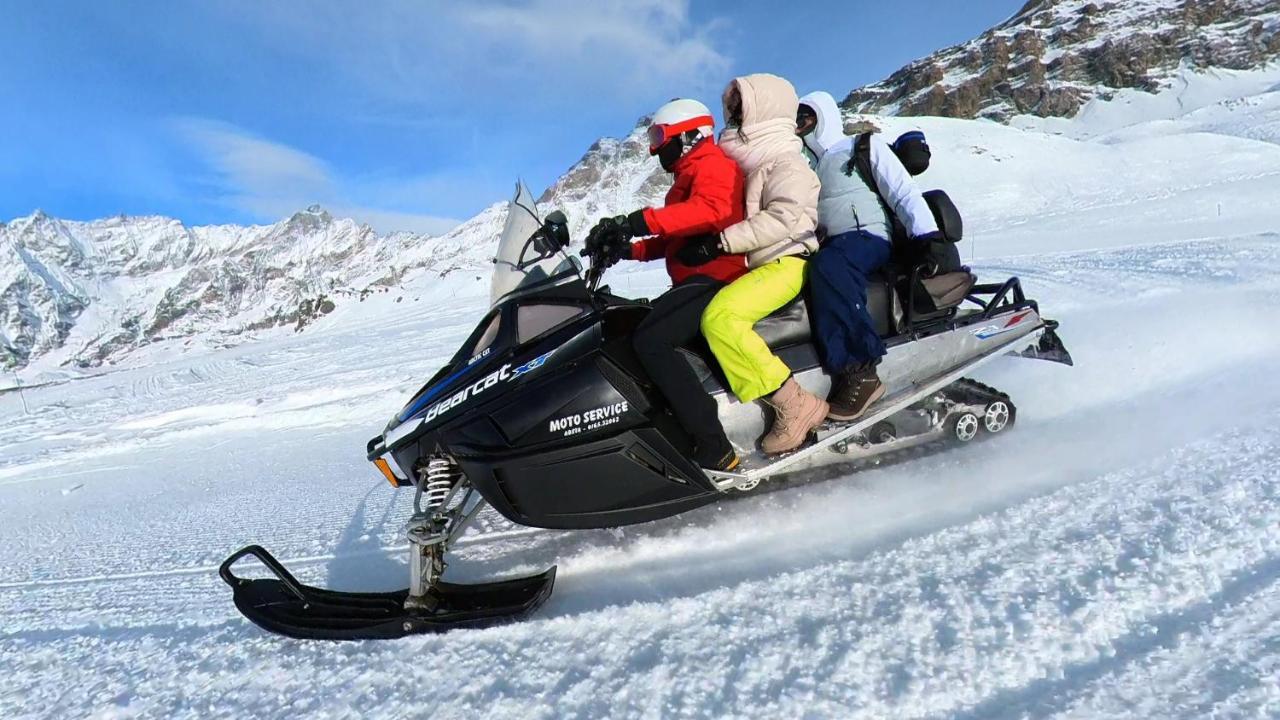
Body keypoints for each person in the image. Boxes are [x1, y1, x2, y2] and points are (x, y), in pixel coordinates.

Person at [583, 98, 747, 471]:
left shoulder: (712, 164)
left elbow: (713, 210)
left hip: (720, 277)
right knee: (631, 327)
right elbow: (674, 235)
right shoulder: (687, 175)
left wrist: (638, 221)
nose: (656, 147)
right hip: (693, 281)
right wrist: (626, 249)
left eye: (660, 136)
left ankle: (715, 446)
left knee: (652, 340)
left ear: (689, 135)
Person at [695, 73, 826, 456]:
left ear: (765, 110)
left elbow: (783, 218)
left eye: (741, 109)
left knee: (721, 318)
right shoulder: (755, 163)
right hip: (763, 264)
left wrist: (720, 242)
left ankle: (794, 403)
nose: (733, 118)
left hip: (787, 262)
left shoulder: (788, 162)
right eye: (732, 109)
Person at [796, 90, 943, 420]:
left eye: (805, 117)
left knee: (829, 266)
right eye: (796, 119)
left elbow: (902, 190)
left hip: (869, 237)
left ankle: (861, 370)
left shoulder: (861, 147)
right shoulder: (810, 168)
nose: (799, 125)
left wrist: (927, 238)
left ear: (823, 115)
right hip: (834, 245)